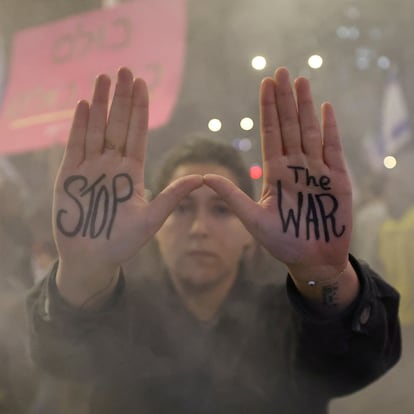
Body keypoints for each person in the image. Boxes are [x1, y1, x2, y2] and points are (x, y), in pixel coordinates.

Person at [26, 66, 401, 414]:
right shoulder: (119, 316)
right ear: (153, 228)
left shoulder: (291, 320)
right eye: (182, 209)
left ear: (251, 233)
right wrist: (86, 274)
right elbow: (58, 353)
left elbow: (361, 359)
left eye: (222, 211)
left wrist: (326, 279)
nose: (199, 229)